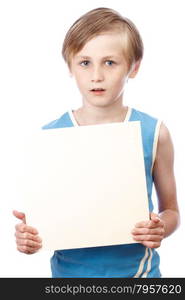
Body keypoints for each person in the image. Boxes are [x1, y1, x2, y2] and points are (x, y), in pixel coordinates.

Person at [13, 7, 180, 278]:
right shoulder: (50, 138)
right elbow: (46, 222)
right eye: (85, 62)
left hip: (140, 277)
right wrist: (28, 237)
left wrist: (160, 226)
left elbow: (171, 210)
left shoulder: (155, 132)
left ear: (134, 67)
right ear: (70, 66)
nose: (97, 76)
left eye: (110, 62)